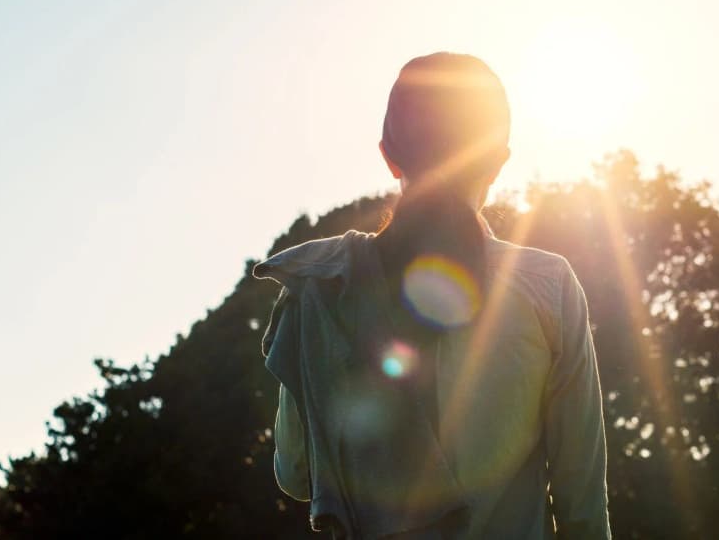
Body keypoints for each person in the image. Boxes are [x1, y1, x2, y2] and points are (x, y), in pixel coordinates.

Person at [253, 53, 611, 539]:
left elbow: (297, 474)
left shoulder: (318, 286)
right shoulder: (548, 286)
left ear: (388, 153)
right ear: (499, 160)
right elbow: (581, 504)